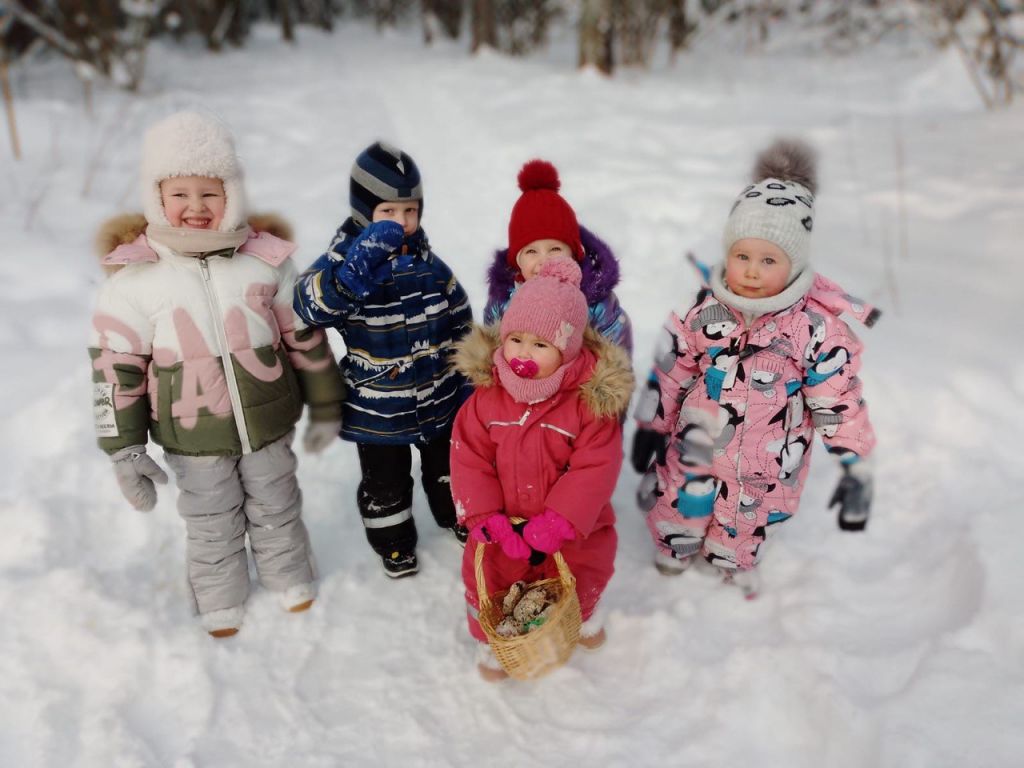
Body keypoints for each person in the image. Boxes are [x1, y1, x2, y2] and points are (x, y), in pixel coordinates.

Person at [89, 111, 345, 637]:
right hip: (192, 433)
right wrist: (124, 448)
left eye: (210, 193)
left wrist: (326, 401)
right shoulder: (134, 279)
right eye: (179, 194)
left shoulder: (265, 261)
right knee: (211, 519)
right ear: (156, 197)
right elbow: (116, 372)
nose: (195, 207)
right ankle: (218, 597)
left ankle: (289, 577)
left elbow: (305, 337)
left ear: (232, 193)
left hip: (268, 421)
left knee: (277, 500)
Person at [634, 138, 878, 598]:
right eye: (742, 256)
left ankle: (728, 564)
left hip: (764, 469)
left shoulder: (813, 329)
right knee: (678, 502)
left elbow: (838, 401)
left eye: (768, 261)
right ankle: (674, 550)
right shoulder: (705, 309)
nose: (750, 270)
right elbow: (672, 368)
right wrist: (653, 424)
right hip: (696, 446)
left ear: (794, 265)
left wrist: (854, 466)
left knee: (742, 528)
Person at [293, 142, 473, 578]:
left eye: (411, 210)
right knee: (385, 485)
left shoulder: (431, 266)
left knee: (450, 469)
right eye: (389, 212)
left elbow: (461, 320)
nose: (403, 222)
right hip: (378, 408)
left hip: (439, 398)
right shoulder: (342, 262)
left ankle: (459, 518)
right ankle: (394, 544)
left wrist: (469, 380)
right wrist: (348, 280)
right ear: (363, 211)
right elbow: (307, 306)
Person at [450, 256, 634, 681]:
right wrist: (484, 517)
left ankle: (581, 613)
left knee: (584, 565)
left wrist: (559, 521)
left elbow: (595, 466)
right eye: (515, 339)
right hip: (504, 524)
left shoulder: (588, 405)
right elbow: (468, 457)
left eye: (540, 345)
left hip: (568, 525)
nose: (522, 355)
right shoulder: (487, 399)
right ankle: (493, 638)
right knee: (490, 575)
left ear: (567, 351)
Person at [482, 159, 632, 356]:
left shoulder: (595, 303)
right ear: (517, 262)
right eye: (531, 252)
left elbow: (616, 351)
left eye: (554, 249)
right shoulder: (504, 300)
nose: (544, 261)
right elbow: (492, 348)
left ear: (574, 254)